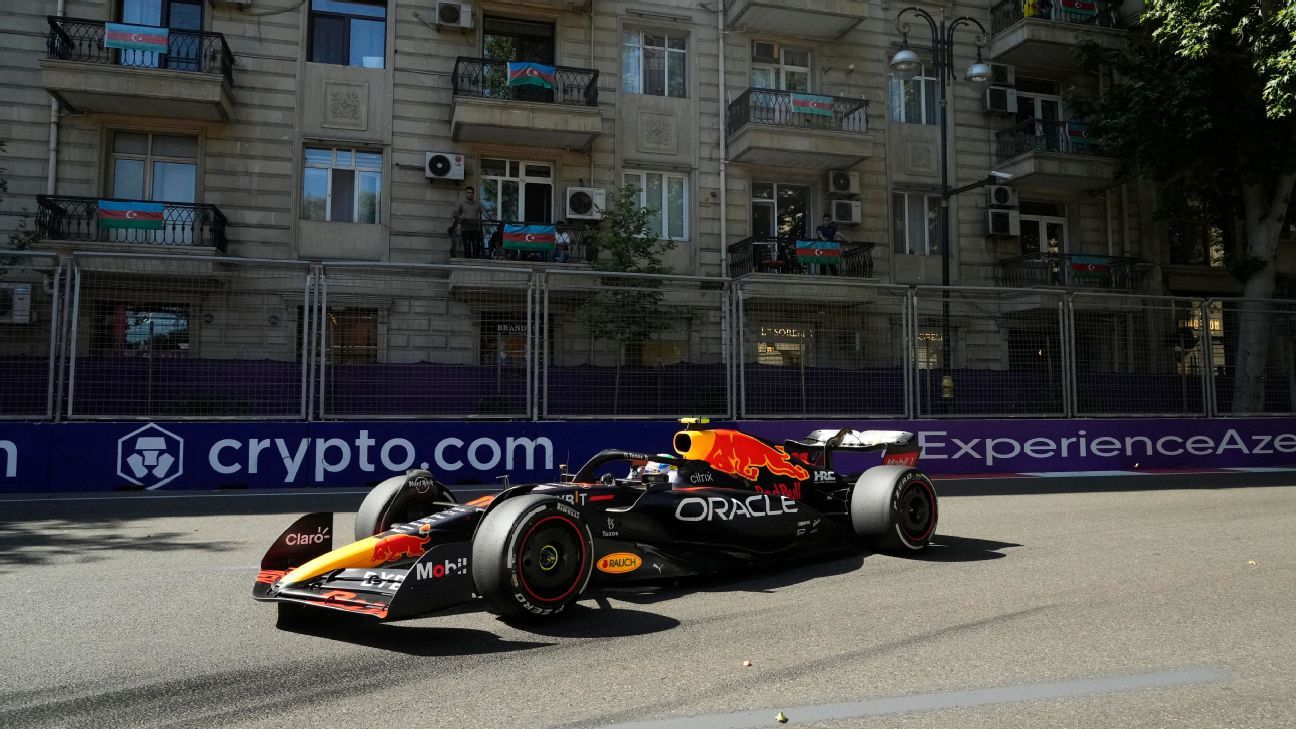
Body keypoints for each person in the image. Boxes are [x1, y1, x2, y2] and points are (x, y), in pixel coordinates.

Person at [453, 185, 483, 258]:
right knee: (467, 246)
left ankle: (476, 262)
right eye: (468, 192)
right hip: (465, 228)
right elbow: (455, 214)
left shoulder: (477, 204)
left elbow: (485, 212)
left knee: (476, 246)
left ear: (474, 194)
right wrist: (460, 217)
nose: (470, 194)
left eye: (471, 192)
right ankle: (467, 261)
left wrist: (490, 217)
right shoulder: (461, 203)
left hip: (475, 229)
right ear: (466, 193)